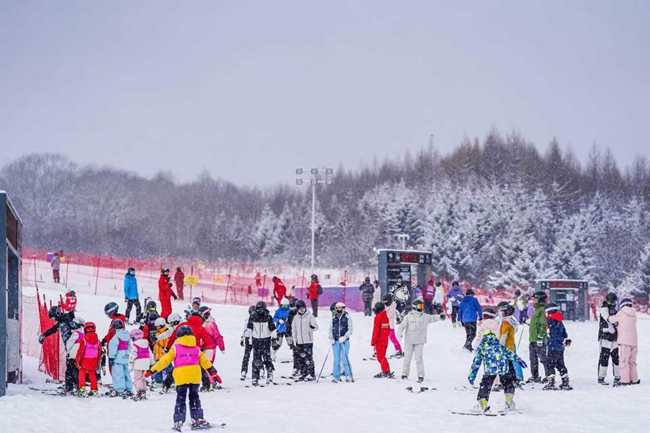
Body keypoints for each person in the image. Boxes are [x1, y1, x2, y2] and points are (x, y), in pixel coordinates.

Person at [146, 325, 221, 431]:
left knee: (181, 398)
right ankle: (197, 417)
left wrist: (152, 370)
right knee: (194, 397)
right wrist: (213, 371)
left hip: (181, 377)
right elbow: (205, 362)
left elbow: (164, 361)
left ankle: (179, 420)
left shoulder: (175, 348)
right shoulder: (196, 349)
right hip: (195, 376)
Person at [468, 330, 527, 413]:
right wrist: (520, 361)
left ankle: (482, 404)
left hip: (490, 369)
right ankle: (509, 402)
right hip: (503, 367)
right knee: (508, 383)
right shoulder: (499, 345)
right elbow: (510, 353)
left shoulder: (482, 347)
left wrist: (471, 376)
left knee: (485, 385)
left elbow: (476, 363)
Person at [398, 300, 445, 382]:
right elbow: (401, 326)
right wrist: (399, 334)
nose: (421, 308)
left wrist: (440, 317)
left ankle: (420, 375)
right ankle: (404, 374)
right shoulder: (409, 316)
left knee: (419, 358)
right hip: (409, 341)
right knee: (407, 358)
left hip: (419, 341)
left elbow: (433, 317)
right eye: (419, 306)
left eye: (422, 306)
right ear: (414, 307)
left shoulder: (425, 316)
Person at [39, 306, 82, 394]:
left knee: (73, 368)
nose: (54, 320)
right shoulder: (61, 322)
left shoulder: (66, 318)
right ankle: (70, 386)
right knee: (70, 368)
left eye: (54, 317)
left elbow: (75, 324)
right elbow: (53, 329)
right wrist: (44, 335)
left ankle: (75, 386)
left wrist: (71, 314)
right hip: (70, 348)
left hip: (74, 347)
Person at [608, 298, 639, 386]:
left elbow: (612, 319)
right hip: (634, 341)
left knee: (624, 361)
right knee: (632, 361)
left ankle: (625, 380)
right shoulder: (634, 314)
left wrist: (608, 317)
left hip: (625, 341)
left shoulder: (621, 313)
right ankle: (634, 379)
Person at [246, 301, 277, 386]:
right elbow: (249, 327)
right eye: (258, 309)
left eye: (261, 309)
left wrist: (274, 337)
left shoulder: (268, 317)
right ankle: (255, 377)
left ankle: (270, 375)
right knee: (256, 359)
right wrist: (247, 335)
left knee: (267, 358)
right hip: (256, 341)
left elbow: (273, 328)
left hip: (266, 340)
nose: (259, 311)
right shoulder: (253, 317)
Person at [543, 303, 572, 391]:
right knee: (560, 364)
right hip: (560, 348)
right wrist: (564, 339)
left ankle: (551, 382)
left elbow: (553, 334)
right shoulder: (559, 320)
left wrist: (557, 340)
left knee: (550, 364)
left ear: (549, 312)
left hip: (553, 347)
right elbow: (564, 332)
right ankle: (565, 381)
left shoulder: (551, 320)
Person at [292, 299, 318, 381]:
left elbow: (316, 327)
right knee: (301, 358)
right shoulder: (296, 318)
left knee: (308, 358)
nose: (302, 310)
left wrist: (312, 326)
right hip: (299, 341)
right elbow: (294, 329)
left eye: (303, 308)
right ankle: (303, 373)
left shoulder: (310, 316)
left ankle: (311, 374)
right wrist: (294, 340)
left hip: (308, 341)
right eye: (300, 308)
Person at [199, 306, 225, 391]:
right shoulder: (202, 323)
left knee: (207, 365)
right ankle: (211, 381)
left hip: (210, 348)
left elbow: (217, 336)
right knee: (203, 365)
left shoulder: (211, 324)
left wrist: (222, 347)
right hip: (202, 347)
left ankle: (212, 382)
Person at [598, 292, 621, 386]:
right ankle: (601, 377)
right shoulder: (604, 309)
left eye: (614, 301)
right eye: (611, 301)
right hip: (605, 337)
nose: (612, 303)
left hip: (614, 337)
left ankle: (617, 376)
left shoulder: (615, 309)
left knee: (616, 358)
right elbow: (607, 318)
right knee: (604, 358)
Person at [498, 302, 523, 385]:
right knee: (512, 362)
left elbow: (503, 335)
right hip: (511, 344)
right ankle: (516, 377)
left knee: (505, 364)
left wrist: (500, 346)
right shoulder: (512, 320)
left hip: (505, 346)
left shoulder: (505, 322)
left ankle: (506, 380)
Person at [76, 321, 102, 397]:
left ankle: (82, 389)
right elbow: (99, 353)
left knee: (82, 374)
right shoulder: (98, 341)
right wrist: (98, 362)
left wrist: (77, 361)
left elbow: (80, 352)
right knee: (92, 375)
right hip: (93, 360)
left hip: (85, 360)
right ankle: (94, 389)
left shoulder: (84, 340)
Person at [527, 291, 549, 383]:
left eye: (534, 298)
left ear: (539, 299)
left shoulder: (542, 309)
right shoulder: (536, 309)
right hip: (533, 338)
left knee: (543, 358)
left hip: (539, 339)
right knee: (533, 359)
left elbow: (543, 324)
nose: (533, 300)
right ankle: (534, 375)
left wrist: (540, 336)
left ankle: (549, 375)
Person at [108, 319, 133, 397]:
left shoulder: (116, 336)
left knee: (118, 373)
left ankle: (120, 389)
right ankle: (129, 387)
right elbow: (129, 346)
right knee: (126, 373)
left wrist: (111, 357)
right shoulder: (127, 335)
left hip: (118, 357)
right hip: (125, 356)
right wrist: (127, 354)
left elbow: (113, 347)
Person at [329, 302, 353, 382]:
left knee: (344, 357)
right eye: (337, 308)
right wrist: (331, 337)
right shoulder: (333, 318)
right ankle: (336, 376)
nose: (339, 310)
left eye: (340, 308)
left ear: (343, 309)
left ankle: (348, 375)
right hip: (335, 341)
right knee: (336, 359)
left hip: (344, 341)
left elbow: (350, 330)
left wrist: (345, 337)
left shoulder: (347, 318)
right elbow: (330, 329)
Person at [129, 328, 154, 400]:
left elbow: (133, 355)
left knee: (137, 378)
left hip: (138, 363)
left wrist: (131, 363)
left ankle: (139, 391)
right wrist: (152, 363)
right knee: (143, 377)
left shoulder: (135, 345)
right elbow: (150, 354)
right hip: (146, 363)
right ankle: (144, 390)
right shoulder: (146, 344)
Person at [371, 302, 393, 378]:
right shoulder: (385, 316)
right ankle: (386, 370)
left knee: (380, 357)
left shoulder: (378, 317)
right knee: (382, 356)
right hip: (385, 340)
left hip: (380, 341)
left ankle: (386, 371)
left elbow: (376, 330)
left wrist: (373, 341)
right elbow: (388, 329)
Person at [65, 319, 84, 394]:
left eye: (73, 324)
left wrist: (67, 352)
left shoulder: (76, 334)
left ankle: (69, 388)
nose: (72, 327)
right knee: (76, 372)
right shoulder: (83, 334)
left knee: (69, 372)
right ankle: (78, 386)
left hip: (72, 355)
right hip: (79, 357)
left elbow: (69, 343)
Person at [383, 294, 404, 358]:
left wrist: (382, 315)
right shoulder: (386, 305)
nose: (386, 303)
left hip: (390, 324)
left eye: (387, 301)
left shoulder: (393, 305)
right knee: (381, 337)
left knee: (392, 337)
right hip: (384, 324)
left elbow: (389, 314)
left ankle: (399, 350)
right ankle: (376, 351)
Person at [240, 306, 256, 380]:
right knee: (246, 356)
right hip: (248, 339)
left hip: (256, 339)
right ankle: (244, 371)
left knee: (257, 356)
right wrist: (242, 338)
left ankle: (260, 369)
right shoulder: (247, 320)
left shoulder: (258, 319)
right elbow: (244, 329)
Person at [285, 298, 300, 377]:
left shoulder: (301, 313)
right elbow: (288, 325)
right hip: (293, 336)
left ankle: (302, 368)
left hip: (301, 336)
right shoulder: (290, 314)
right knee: (295, 353)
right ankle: (296, 367)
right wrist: (288, 334)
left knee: (302, 353)